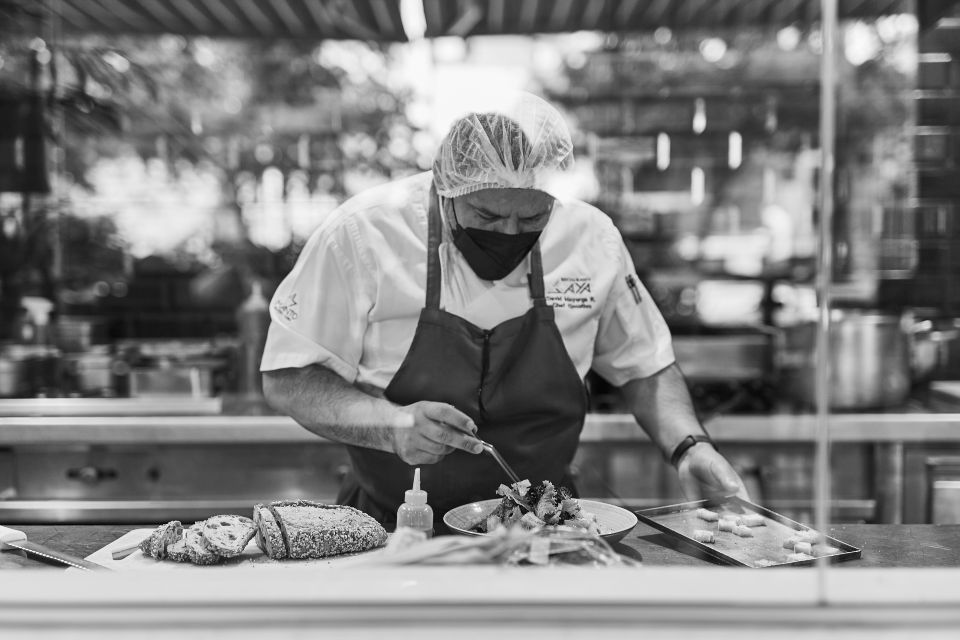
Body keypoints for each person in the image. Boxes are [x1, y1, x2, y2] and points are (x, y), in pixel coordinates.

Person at [261, 92, 746, 526]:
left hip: (547, 528)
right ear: (445, 190)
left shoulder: (590, 240)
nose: (510, 233)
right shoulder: (364, 234)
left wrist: (690, 447)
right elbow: (289, 378)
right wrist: (389, 425)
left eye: (531, 217)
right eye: (488, 216)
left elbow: (644, 367)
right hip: (395, 528)